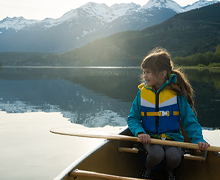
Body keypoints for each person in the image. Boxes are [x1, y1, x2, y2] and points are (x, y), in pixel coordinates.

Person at [127, 47, 210, 180]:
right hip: (151, 139)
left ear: (162, 74)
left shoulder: (176, 94)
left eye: (148, 72)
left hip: (173, 138)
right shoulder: (142, 94)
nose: (144, 76)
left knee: (174, 157)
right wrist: (140, 132)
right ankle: (148, 168)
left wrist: (197, 140)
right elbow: (133, 118)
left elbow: (190, 120)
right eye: (144, 72)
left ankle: (169, 170)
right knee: (157, 153)